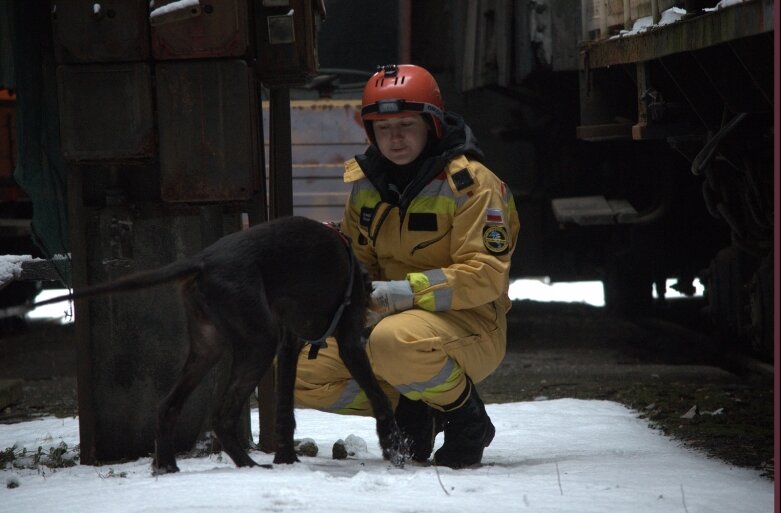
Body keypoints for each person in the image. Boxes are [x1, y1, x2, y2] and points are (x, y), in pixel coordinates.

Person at [294, 63, 520, 468]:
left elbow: (485, 274)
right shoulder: (366, 186)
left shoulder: (471, 184)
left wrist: (404, 292)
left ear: (431, 124)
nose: (394, 138)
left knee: (394, 342)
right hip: (387, 321)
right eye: (383, 128)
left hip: (468, 322)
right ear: (370, 132)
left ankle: (466, 418)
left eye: (405, 125)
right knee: (289, 363)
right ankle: (413, 408)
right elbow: (358, 262)